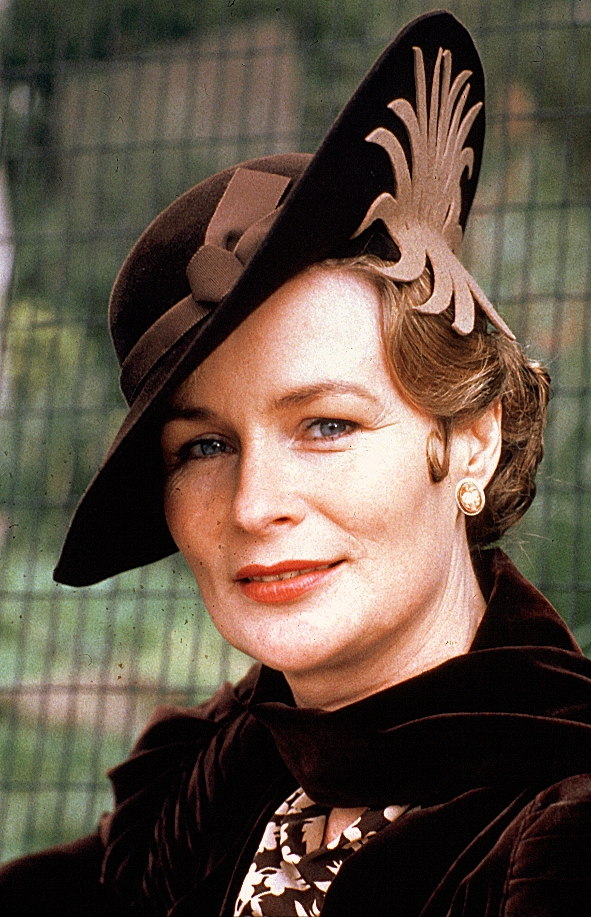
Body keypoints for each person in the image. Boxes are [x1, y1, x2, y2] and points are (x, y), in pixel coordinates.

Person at [1, 10, 591, 916]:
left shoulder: (558, 840)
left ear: (473, 439)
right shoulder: (208, 787)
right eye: (204, 446)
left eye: (325, 424)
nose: (254, 503)